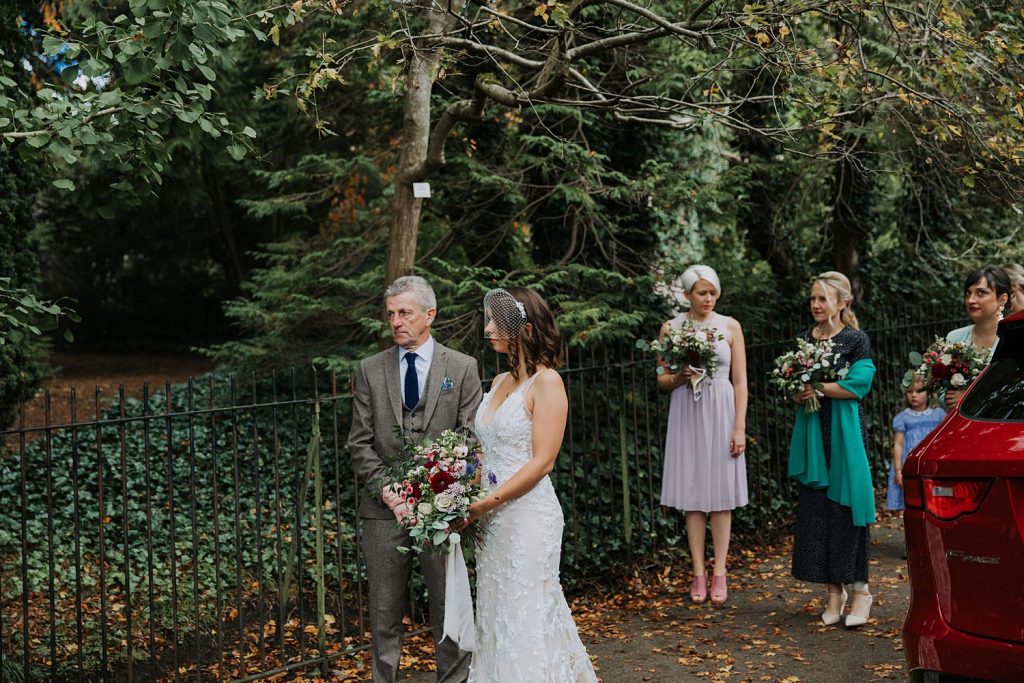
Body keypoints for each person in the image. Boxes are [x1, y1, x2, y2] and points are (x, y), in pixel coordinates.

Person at [348, 275, 483, 683]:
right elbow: (359, 443)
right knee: (385, 611)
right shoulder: (370, 370)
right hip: (381, 512)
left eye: (404, 312)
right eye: (390, 314)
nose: (396, 321)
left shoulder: (461, 368)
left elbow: (470, 438)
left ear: (430, 315)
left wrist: (440, 491)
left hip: (440, 512)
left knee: (449, 607)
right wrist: (390, 492)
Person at [464, 287, 597, 683]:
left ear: (523, 326)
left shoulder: (548, 383)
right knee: (497, 614)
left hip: (527, 519)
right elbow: (485, 447)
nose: (488, 328)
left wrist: (483, 504)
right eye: (487, 319)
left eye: (495, 320)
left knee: (526, 616)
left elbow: (542, 462)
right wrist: (463, 492)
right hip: (491, 521)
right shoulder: (501, 377)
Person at [789, 271, 876, 628]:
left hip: (844, 435)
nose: (815, 305)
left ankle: (860, 591)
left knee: (846, 510)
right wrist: (798, 391)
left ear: (842, 302)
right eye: (812, 299)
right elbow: (793, 385)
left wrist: (820, 387)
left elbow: (859, 385)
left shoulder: (856, 340)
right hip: (813, 433)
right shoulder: (802, 340)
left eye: (822, 298)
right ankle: (832, 592)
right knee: (818, 512)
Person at [656, 265, 748, 605]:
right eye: (701, 293)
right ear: (688, 295)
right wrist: (680, 375)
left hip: (722, 410)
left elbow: (740, 381)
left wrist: (739, 426)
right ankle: (697, 571)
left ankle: (720, 570)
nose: (708, 299)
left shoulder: (730, 326)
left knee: (721, 495)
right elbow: (661, 379)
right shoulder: (671, 329)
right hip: (687, 411)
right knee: (692, 494)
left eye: (712, 292)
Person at [944, 266, 1011, 410]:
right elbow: (941, 392)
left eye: (981, 293)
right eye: (968, 294)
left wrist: (968, 399)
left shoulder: (1015, 339)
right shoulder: (954, 338)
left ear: (1002, 299)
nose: (970, 300)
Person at [885, 376, 944, 512]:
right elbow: (899, 444)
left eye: (918, 391)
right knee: (913, 500)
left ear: (928, 393)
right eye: (910, 392)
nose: (914, 395)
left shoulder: (938, 415)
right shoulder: (903, 418)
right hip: (910, 464)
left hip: (931, 463)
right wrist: (899, 471)